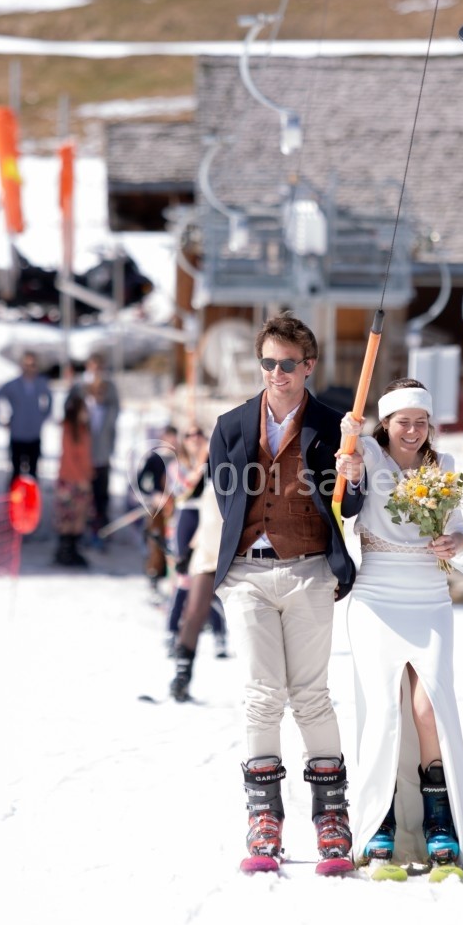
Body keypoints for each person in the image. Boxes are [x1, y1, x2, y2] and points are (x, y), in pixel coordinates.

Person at [208, 313, 365, 873]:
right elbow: (225, 495)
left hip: (309, 573)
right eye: (269, 362)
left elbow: (350, 505)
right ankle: (263, 817)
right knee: (259, 693)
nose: (278, 372)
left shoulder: (332, 425)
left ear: (309, 366)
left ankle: (330, 817)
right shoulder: (229, 425)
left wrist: (355, 470)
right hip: (249, 575)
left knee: (311, 693)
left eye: (289, 364)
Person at [337, 377, 463, 876]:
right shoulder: (370, 457)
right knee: (383, 708)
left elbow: (459, 526)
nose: (414, 431)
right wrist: (349, 444)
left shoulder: (443, 467)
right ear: (387, 423)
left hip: (429, 596)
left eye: (422, 422)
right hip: (377, 594)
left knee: (428, 708)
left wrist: (456, 545)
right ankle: (379, 821)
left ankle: (439, 818)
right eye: (405, 422)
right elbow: (348, 474)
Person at [166, 426, 227, 659]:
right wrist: (202, 463)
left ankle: (220, 634)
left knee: (210, 578)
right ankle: (173, 631)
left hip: (208, 520)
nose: (194, 438)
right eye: (189, 435)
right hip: (186, 518)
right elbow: (186, 488)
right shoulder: (177, 466)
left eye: (198, 434)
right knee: (183, 578)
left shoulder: (212, 465)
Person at [169, 481, 227, 702]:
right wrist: (189, 550)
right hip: (207, 554)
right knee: (193, 613)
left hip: (238, 555)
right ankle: (181, 678)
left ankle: (272, 685)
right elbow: (205, 518)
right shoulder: (204, 473)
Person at [67, 352, 120, 546]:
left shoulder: (110, 389)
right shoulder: (79, 387)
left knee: (101, 495)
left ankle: (101, 530)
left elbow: (115, 412)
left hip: (102, 453)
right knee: (82, 496)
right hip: (83, 456)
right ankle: (79, 530)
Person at [0, 350, 53, 484]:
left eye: (32, 364)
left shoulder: (41, 383)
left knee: (33, 474)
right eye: (26, 364)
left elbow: (50, 401)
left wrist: (42, 418)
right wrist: (0, 421)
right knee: (16, 473)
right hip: (17, 436)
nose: (29, 368)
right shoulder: (12, 385)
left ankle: (31, 503)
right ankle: (14, 502)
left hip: (34, 436)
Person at [136, 424, 179, 593]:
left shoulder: (179, 458)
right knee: (156, 540)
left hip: (175, 506)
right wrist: (153, 495)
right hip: (158, 507)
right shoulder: (154, 458)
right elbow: (141, 482)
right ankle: (154, 574)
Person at [54, 394, 93, 567]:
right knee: (67, 517)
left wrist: (89, 474)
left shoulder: (83, 430)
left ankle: (74, 549)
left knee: (79, 516)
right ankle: (64, 550)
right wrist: (81, 478)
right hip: (70, 480)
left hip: (82, 479)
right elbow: (70, 458)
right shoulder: (69, 430)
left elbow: (85, 457)